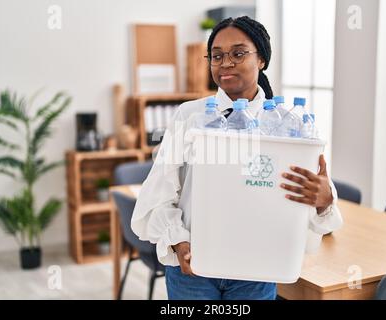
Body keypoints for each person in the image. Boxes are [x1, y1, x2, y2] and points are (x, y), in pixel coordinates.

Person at [131, 16, 343, 300]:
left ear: (262, 60)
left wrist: (324, 200)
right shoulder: (190, 116)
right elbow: (159, 193)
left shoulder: (287, 126)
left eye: (238, 53)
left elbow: (304, 204)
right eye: (216, 56)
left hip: (256, 269)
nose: (225, 63)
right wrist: (178, 241)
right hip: (194, 267)